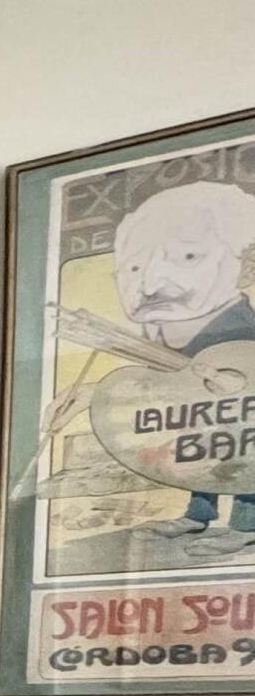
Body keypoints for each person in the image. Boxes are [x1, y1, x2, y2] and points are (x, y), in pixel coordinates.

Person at [112, 179, 255, 553]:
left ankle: (246, 521)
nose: (151, 283)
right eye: (135, 267)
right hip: (203, 409)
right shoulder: (168, 333)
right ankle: (199, 513)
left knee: (240, 444)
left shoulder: (241, 330)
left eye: (188, 257)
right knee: (201, 444)